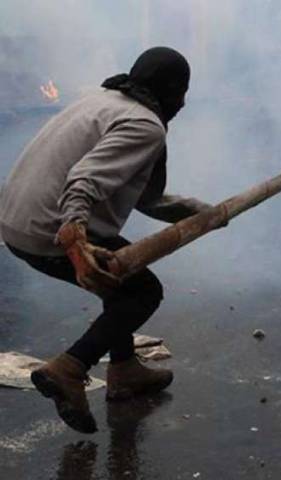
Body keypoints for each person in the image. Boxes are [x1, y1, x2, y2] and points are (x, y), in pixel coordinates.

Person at [0, 47, 215, 434]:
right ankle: (69, 368)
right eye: (182, 91)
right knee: (141, 292)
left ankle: (125, 370)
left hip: (15, 219)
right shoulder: (145, 125)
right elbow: (84, 180)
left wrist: (199, 211)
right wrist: (76, 240)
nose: (183, 102)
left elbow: (147, 197)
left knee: (122, 272)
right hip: (49, 229)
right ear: (171, 90)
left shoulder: (106, 100)